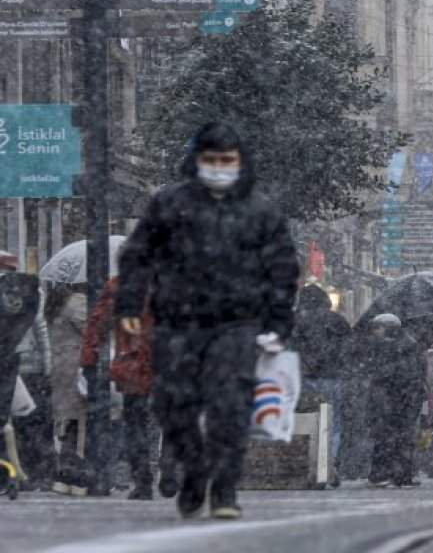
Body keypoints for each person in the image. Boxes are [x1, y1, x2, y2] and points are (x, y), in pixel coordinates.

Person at [116, 122, 300, 518]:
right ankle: (195, 468)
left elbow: (283, 270)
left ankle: (225, 489)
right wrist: (130, 305)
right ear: (197, 161)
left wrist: (278, 323)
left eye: (226, 161)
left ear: (239, 163)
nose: (219, 167)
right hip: (178, 321)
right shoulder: (170, 204)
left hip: (237, 323)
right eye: (211, 160)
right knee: (172, 403)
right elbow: (138, 255)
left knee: (230, 406)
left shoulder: (259, 210)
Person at [80, 276, 174, 500]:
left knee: (135, 425)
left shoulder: (121, 285)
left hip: (133, 362)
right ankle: (169, 467)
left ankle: (143, 481)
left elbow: (98, 323)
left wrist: (89, 358)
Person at [2, 257, 55, 492]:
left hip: (11, 360)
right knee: (26, 422)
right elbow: (40, 328)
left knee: (8, 422)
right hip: (24, 362)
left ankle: (12, 472)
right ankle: (26, 472)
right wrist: (47, 364)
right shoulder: (30, 293)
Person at [291, 284, 352, 486]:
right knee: (332, 424)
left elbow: (289, 347)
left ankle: (306, 464)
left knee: (303, 421)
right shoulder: (336, 320)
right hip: (331, 377)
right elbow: (349, 348)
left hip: (303, 377)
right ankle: (327, 465)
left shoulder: (295, 320)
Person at [364, 314, 427, 488]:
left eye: (379, 328)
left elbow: (384, 374)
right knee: (402, 437)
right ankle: (402, 475)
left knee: (386, 437)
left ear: (388, 328)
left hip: (392, 399)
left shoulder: (388, 347)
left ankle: (382, 474)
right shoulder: (410, 344)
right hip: (405, 399)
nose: (376, 332)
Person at [46, 284, 90, 496]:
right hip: (77, 367)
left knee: (69, 421)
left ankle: (64, 475)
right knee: (82, 422)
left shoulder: (55, 302)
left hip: (61, 365)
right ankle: (78, 475)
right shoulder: (77, 301)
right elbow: (90, 329)